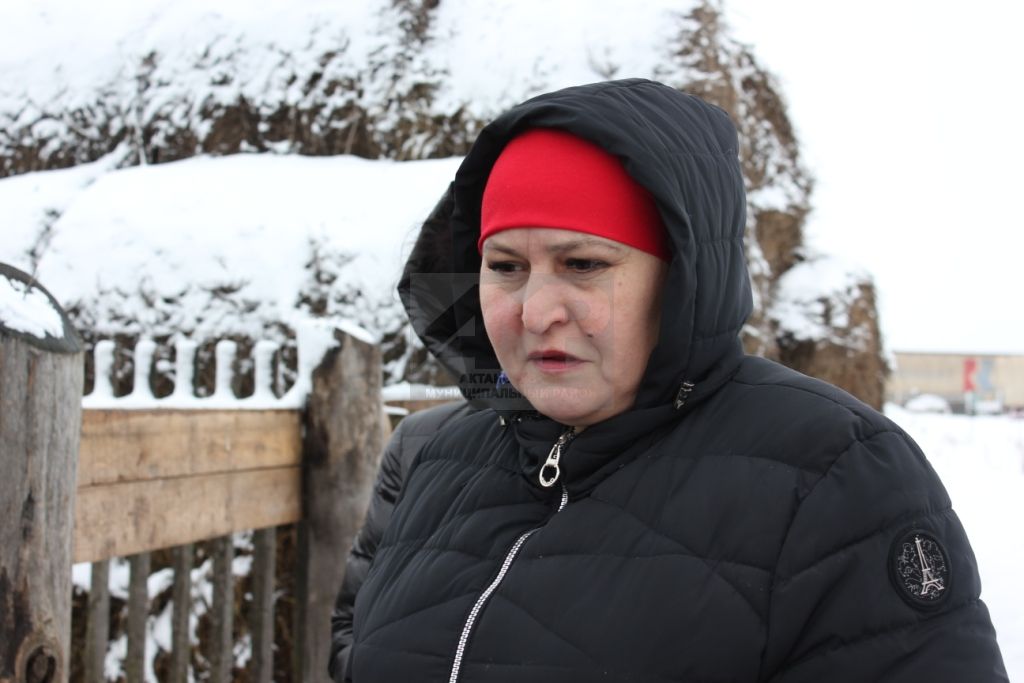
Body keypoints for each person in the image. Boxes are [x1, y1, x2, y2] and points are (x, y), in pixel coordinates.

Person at [337, 79, 1007, 682]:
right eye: (506, 266)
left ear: (682, 277)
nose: (535, 311)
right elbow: (353, 645)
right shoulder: (438, 456)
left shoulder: (835, 476)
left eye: (583, 264)